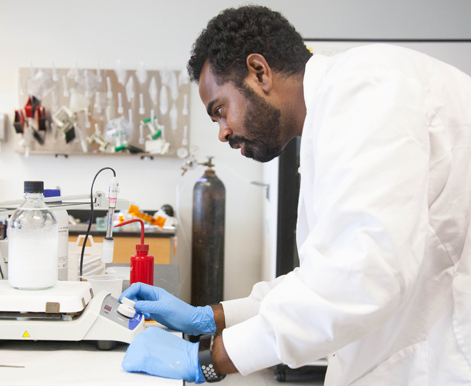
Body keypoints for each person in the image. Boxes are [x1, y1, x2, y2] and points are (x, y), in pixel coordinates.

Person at [120, 5, 471, 385]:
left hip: (441, 362)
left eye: (220, 110)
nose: (222, 133)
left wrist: (207, 358)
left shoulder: (367, 88)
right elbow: (321, 277)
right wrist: (211, 317)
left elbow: (361, 277)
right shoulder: (333, 115)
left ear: (259, 72)